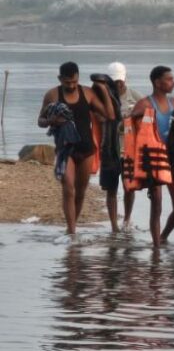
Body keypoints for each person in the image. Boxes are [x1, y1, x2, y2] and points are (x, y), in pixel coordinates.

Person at [37, 61, 115, 235]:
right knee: (68, 189)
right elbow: (40, 121)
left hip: (86, 149)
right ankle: (71, 232)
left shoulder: (87, 93)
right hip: (65, 150)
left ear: (78, 78)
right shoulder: (52, 95)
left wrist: (103, 91)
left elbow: (109, 115)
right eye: (67, 82)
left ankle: (73, 225)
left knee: (80, 192)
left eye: (74, 82)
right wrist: (51, 121)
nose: (71, 86)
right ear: (60, 79)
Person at [128, 66, 174, 248]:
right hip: (154, 160)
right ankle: (156, 249)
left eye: (173, 79)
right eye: (169, 79)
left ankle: (163, 237)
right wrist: (137, 117)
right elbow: (129, 127)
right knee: (157, 206)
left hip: (173, 158)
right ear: (157, 82)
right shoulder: (145, 104)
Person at [97, 62, 145, 233]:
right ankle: (114, 226)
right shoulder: (101, 98)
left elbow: (147, 121)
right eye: (114, 81)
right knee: (111, 189)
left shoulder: (136, 97)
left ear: (125, 78)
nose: (118, 84)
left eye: (120, 81)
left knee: (129, 187)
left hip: (130, 150)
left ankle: (126, 219)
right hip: (109, 149)